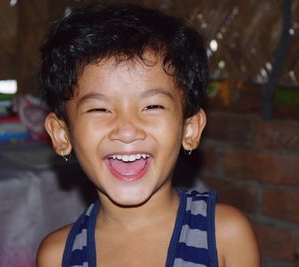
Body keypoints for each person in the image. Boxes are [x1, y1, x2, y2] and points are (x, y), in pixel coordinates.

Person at [37, 3, 260, 267]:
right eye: (100, 108)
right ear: (62, 136)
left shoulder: (224, 236)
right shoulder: (58, 256)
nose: (127, 130)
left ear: (189, 129)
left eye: (152, 106)